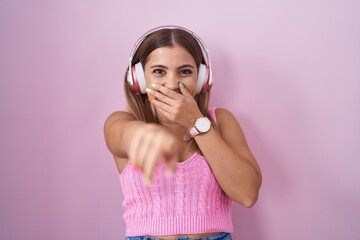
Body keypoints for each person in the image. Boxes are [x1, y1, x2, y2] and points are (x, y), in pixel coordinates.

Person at [103, 25, 262, 240]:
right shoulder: (121, 122)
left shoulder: (221, 121)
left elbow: (247, 194)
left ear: (201, 79)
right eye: (159, 71)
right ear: (138, 79)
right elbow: (124, 136)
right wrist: (141, 135)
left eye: (185, 71)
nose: (171, 84)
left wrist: (195, 122)